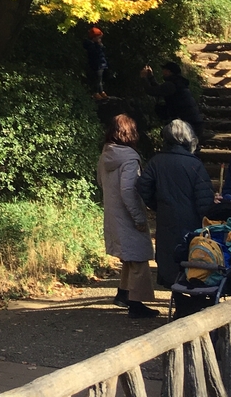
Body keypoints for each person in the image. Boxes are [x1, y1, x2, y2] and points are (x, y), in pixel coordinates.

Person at [137, 119, 213, 288]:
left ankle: (177, 298)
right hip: (191, 220)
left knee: (169, 259)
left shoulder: (157, 161)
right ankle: (192, 301)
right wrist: (206, 220)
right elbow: (204, 199)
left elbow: (143, 185)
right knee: (191, 257)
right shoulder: (194, 164)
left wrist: (157, 204)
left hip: (166, 218)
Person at [97, 112, 157, 318]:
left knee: (128, 257)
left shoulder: (106, 155)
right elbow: (128, 190)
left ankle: (123, 293)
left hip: (112, 213)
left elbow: (100, 182)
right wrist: (139, 218)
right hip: (128, 215)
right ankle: (137, 302)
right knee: (139, 258)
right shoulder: (130, 158)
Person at [140, 61, 204, 139]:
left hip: (187, 123)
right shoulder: (178, 83)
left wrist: (143, 78)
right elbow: (160, 90)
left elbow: (152, 91)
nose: (162, 72)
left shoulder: (171, 84)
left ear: (168, 71)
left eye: (164, 69)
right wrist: (151, 77)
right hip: (193, 121)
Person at [83, 27, 108, 96]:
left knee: (100, 79)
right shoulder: (91, 45)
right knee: (97, 79)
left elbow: (103, 52)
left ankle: (101, 91)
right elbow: (96, 53)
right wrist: (99, 46)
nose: (100, 39)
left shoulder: (98, 45)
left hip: (101, 63)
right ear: (94, 38)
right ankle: (96, 92)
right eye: (98, 37)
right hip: (96, 64)